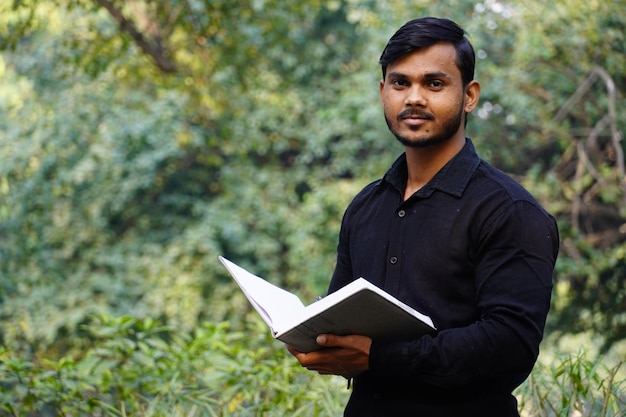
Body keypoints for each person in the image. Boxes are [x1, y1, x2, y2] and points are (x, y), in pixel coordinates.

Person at [286, 16, 559, 417]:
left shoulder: (509, 210)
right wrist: (315, 339)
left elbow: (510, 345)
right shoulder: (365, 207)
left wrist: (379, 357)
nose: (414, 97)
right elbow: (344, 321)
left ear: (469, 96)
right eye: (400, 83)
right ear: (383, 93)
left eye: (434, 83)